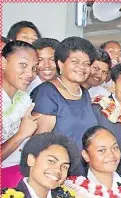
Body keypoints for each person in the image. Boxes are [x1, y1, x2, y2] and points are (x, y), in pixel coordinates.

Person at [32, 36, 98, 171]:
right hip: (56, 171)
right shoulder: (47, 92)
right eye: (75, 61)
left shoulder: (84, 93)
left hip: (83, 170)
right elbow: (39, 143)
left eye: (86, 63)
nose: (82, 67)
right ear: (61, 64)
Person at [2, 41, 38, 188]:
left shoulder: (24, 99)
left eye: (34, 68)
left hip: (22, 174)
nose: (30, 74)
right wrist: (21, 134)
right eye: (23, 65)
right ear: (3, 62)